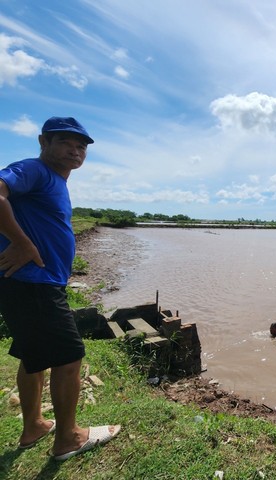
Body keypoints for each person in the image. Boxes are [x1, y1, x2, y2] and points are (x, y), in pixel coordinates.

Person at [0, 117, 120, 461]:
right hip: (33, 283)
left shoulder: (53, 181)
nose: (75, 150)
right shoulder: (33, 170)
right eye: (66, 142)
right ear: (44, 142)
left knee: (33, 357)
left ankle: (34, 425)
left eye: (81, 146)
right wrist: (21, 243)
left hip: (32, 283)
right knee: (69, 357)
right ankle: (68, 438)